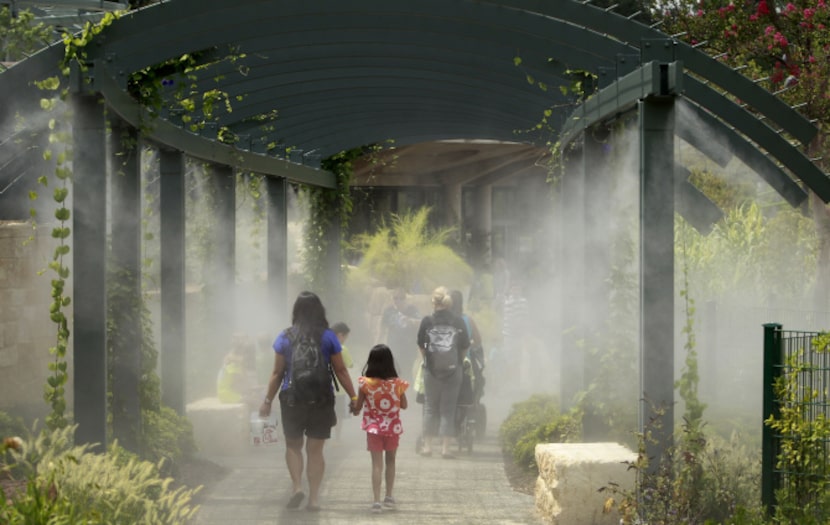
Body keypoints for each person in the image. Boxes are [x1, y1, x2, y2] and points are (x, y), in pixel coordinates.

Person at [259, 291, 359, 512]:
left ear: (296, 311)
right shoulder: (329, 337)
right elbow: (341, 370)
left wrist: (267, 400)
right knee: (315, 450)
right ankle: (313, 499)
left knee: (293, 446)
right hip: (321, 400)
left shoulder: (285, 337)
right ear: (319, 310)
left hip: (292, 399)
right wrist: (353, 397)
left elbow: (277, 373)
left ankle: (296, 487)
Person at [353, 344, 409, 513]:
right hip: (392, 428)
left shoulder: (365, 383)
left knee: (376, 464)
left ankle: (376, 501)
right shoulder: (397, 384)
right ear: (390, 362)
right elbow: (404, 405)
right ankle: (389, 496)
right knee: (391, 461)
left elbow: (358, 408)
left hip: (373, 429)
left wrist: (355, 406)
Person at [416, 286, 470, 458]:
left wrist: (428, 360)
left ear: (433, 302)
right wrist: (458, 362)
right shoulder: (458, 321)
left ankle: (428, 447)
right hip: (453, 371)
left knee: (430, 407)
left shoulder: (427, 321)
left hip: (431, 370)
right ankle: (446, 449)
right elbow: (465, 345)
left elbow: (421, 344)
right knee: (449, 408)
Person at [380, 288, 420, 380]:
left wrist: (410, 320)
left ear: (405, 299)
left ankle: (407, 392)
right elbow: (382, 328)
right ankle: (395, 392)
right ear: (392, 299)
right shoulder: (389, 311)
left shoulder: (412, 310)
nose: (398, 300)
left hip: (409, 348)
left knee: (407, 372)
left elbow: (420, 322)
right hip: (393, 347)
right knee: (393, 373)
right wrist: (377, 343)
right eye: (395, 298)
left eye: (401, 298)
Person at [217, 332, 258, 405]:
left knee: (251, 395)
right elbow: (241, 382)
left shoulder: (231, 361)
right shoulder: (233, 366)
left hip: (224, 393)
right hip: (228, 394)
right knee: (252, 398)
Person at [330, 321, 354, 440]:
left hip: (325, 388)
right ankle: (337, 438)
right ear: (340, 335)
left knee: (327, 413)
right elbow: (350, 365)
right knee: (339, 415)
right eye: (346, 337)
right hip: (339, 388)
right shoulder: (342, 348)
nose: (345, 340)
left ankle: (325, 437)